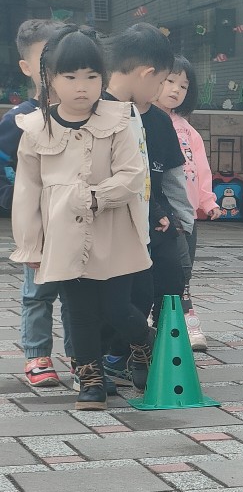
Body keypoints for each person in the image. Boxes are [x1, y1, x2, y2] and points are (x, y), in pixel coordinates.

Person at [9, 25, 152, 411]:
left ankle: (145, 341)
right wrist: (30, 245)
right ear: (50, 79)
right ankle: (91, 378)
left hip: (114, 232)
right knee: (79, 312)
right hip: (64, 238)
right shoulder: (35, 128)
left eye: (91, 77)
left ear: (102, 79)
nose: (81, 87)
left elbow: (132, 174)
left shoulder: (118, 119)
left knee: (116, 308)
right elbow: (27, 192)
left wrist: (95, 197)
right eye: (70, 77)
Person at [100, 23, 188, 389]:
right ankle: (99, 360)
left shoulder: (149, 118)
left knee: (155, 284)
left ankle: (141, 351)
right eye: (163, 81)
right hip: (106, 225)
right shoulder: (98, 112)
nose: (164, 90)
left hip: (146, 223)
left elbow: (156, 178)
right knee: (106, 300)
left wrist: (169, 217)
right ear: (147, 73)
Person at [0, 19, 74, 388]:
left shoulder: (86, 114)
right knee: (38, 293)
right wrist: (10, 195)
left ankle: (81, 354)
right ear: (26, 67)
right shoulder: (19, 119)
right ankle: (37, 355)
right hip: (39, 223)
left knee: (78, 293)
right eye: (44, 59)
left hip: (78, 218)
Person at [155, 56, 221, 352]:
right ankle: (173, 319)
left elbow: (201, 169)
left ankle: (184, 321)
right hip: (160, 212)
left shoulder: (187, 130)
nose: (175, 90)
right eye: (170, 81)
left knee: (184, 273)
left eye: (183, 86)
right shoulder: (146, 121)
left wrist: (207, 200)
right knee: (168, 271)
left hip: (187, 215)